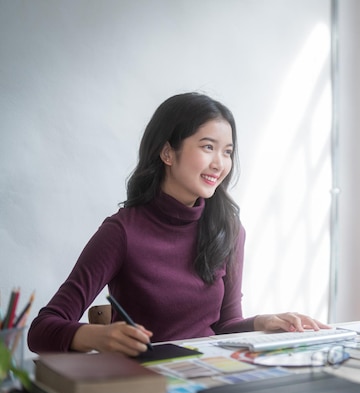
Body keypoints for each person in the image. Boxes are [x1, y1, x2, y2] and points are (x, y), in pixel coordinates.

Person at [27, 92, 329, 356]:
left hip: (211, 374)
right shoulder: (122, 232)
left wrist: (262, 322)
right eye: (208, 147)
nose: (219, 164)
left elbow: (225, 326)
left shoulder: (229, 228)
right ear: (168, 152)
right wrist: (98, 337)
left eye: (227, 152)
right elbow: (41, 330)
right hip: (146, 383)